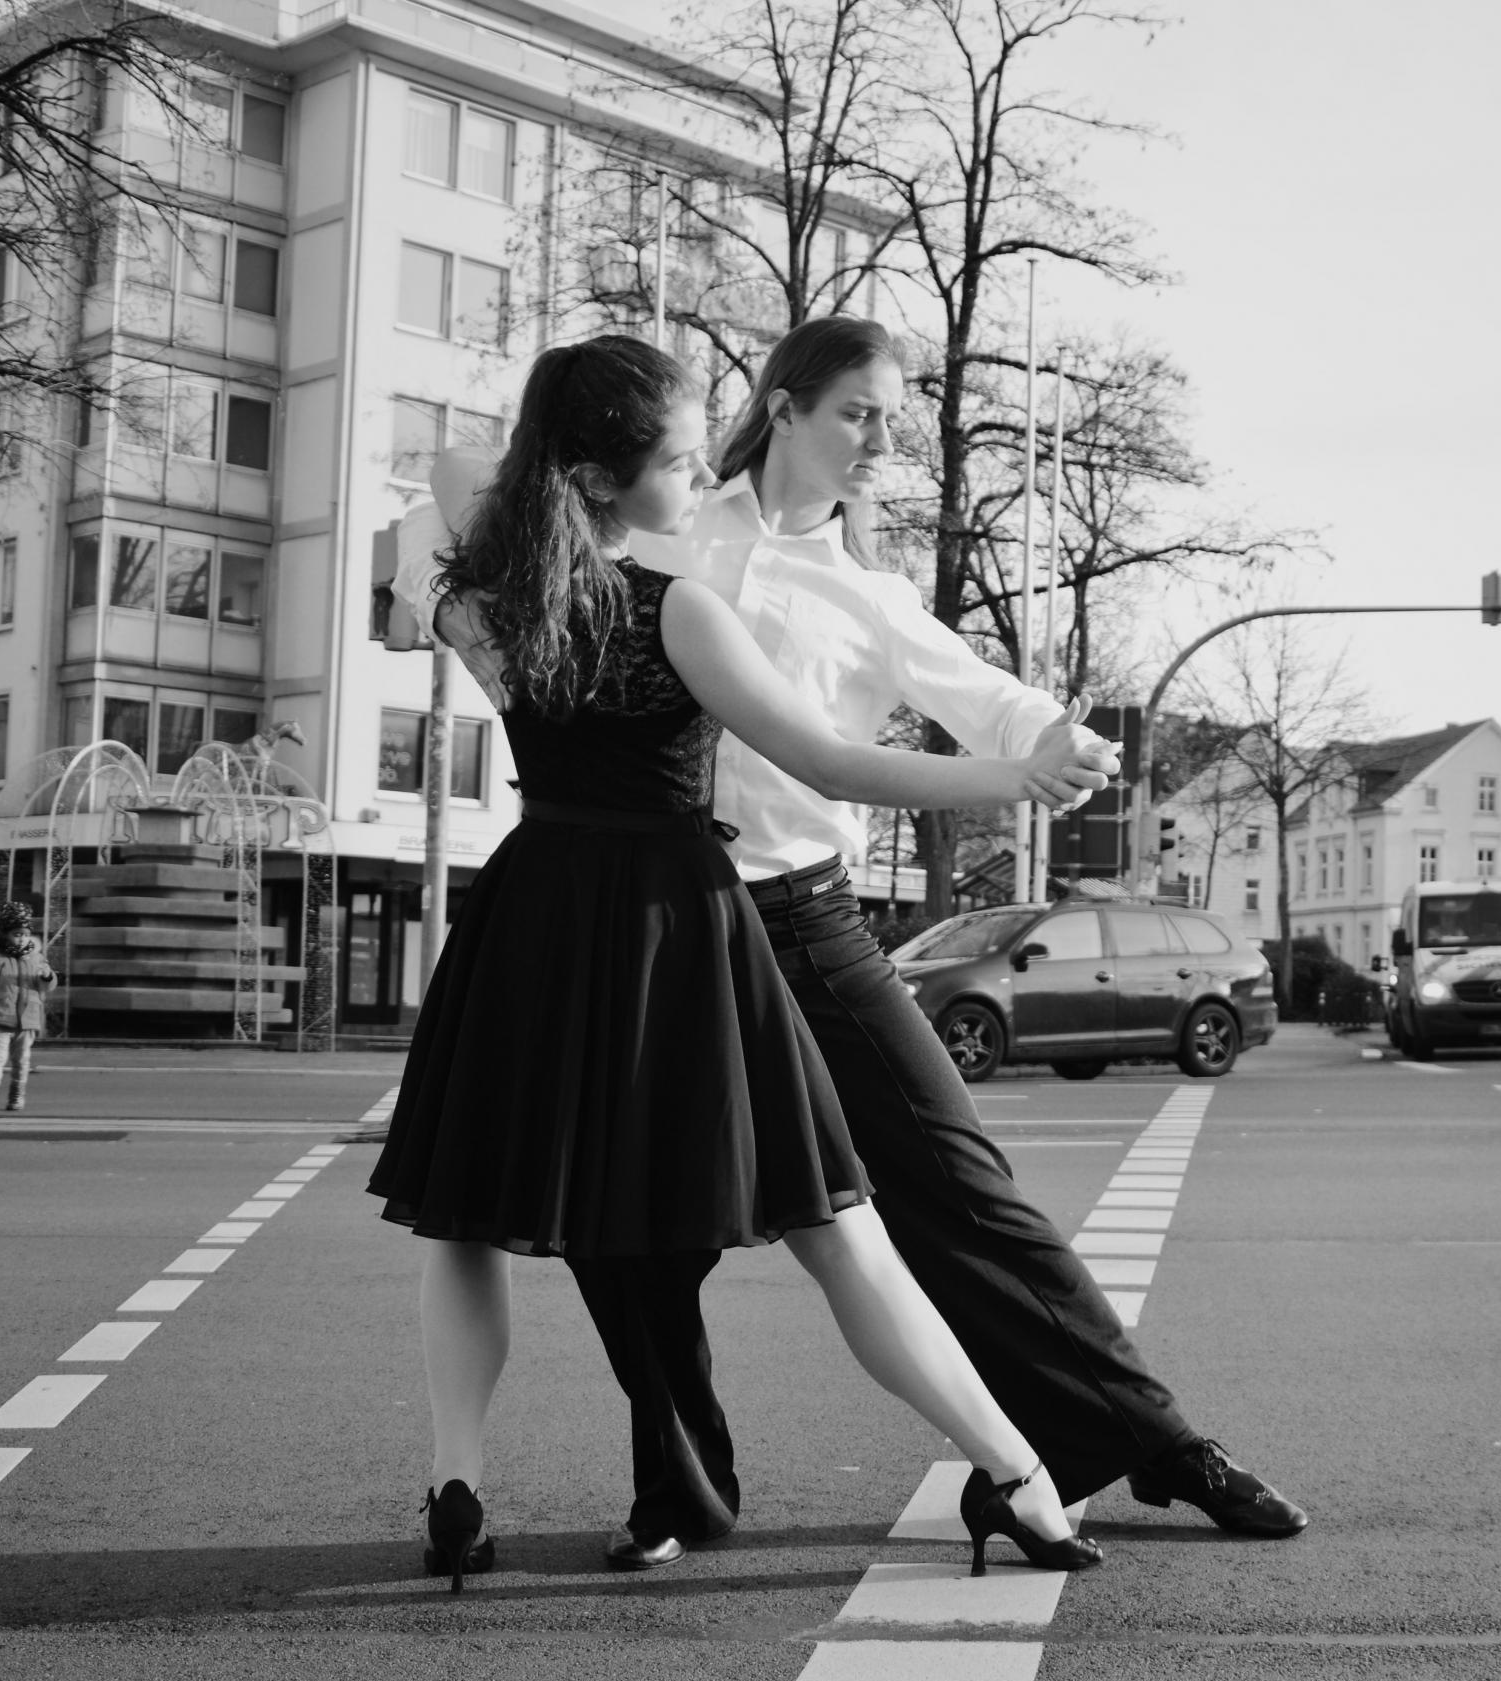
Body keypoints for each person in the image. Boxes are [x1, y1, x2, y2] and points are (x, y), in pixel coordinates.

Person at [408, 316, 1307, 1562]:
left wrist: (1049, 743)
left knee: (956, 1189)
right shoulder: (664, 522)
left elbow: (980, 698)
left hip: (796, 918)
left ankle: (1150, 1440)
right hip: (653, 938)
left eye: (894, 414)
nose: (884, 436)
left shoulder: (865, 592)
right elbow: (489, 482)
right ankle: (680, 1494)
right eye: (859, 410)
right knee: (633, 1239)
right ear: (783, 406)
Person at [0, 902, 55, 1113]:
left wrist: (47, 977)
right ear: (5, 934)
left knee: (21, 1061)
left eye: (25, 934)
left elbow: (47, 985)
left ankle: (17, 1094)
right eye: (16, 934)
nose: (22, 939)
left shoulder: (36, 957)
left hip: (27, 1019)